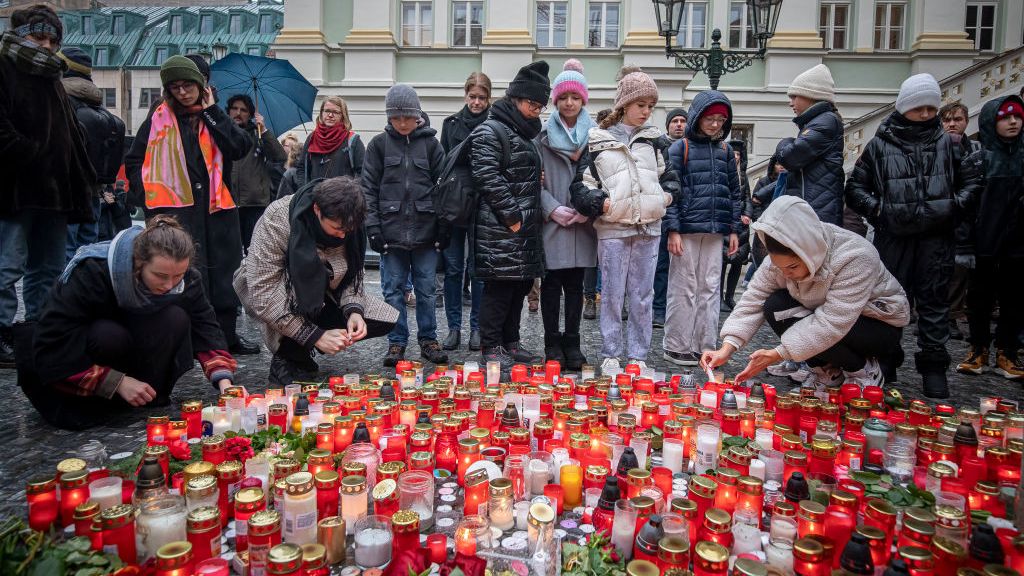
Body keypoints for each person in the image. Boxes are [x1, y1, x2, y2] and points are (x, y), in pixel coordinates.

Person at [22, 216, 239, 430]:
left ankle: (145, 394)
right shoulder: (91, 272)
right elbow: (53, 341)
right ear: (138, 263)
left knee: (175, 318)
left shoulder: (185, 279)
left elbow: (205, 326)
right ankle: (106, 399)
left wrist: (225, 383)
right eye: (160, 275)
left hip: (133, 350)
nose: (169, 285)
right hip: (84, 367)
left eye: (178, 276)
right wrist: (116, 382)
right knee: (109, 334)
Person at [845, 73, 982, 398]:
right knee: (890, 302)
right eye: (917, 107)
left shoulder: (950, 144)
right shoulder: (880, 145)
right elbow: (855, 188)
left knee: (935, 304)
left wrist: (951, 207)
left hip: (936, 237)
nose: (924, 113)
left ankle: (934, 368)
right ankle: (886, 362)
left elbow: (973, 185)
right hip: (895, 237)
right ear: (905, 106)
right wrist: (880, 210)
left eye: (929, 107)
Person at [702, 196, 910, 389]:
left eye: (792, 267)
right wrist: (727, 348)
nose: (786, 274)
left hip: (877, 326)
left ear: (808, 252)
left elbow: (832, 322)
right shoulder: (778, 262)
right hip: (827, 318)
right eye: (780, 268)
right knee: (775, 306)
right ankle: (826, 370)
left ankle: (864, 371)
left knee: (820, 329)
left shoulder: (856, 256)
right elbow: (753, 300)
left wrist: (779, 353)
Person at [125, 55, 259, 356]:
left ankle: (225, 337)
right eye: (175, 87)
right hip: (176, 212)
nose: (182, 92)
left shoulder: (213, 117)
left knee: (224, 277)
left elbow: (239, 147)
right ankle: (185, 340)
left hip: (217, 210)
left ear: (202, 86)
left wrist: (213, 111)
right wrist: (149, 193)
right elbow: (135, 160)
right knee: (183, 275)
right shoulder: (158, 120)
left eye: (188, 86)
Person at [0, 5, 96, 368]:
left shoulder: (53, 77)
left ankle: (38, 328)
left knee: (49, 268)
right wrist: (33, 153)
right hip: (16, 188)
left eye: (51, 40)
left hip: (55, 191)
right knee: (7, 267)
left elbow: (68, 133)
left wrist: (77, 172)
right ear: (20, 35)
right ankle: (2, 331)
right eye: (38, 37)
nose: (45, 46)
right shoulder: (5, 68)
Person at [234, 176, 398, 386]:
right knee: (300, 286)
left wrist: (354, 311)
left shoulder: (349, 223)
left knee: (383, 320)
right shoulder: (278, 219)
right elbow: (264, 293)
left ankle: (301, 346)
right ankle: (288, 355)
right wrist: (315, 336)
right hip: (275, 290)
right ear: (317, 210)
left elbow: (353, 274)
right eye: (336, 229)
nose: (341, 237)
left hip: (326, 289)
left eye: (347, 231)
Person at [571, 66, 677, 373]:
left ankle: (639, 356)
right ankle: (611, 353)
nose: (646, 112)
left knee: (643, 295)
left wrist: (664, 199)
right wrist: (601, 203)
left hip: (649, 228)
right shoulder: (599, 140)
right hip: (613, 228)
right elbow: (581, 185)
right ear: (624, 105)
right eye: (640, 105)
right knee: (613, 294)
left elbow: (671, 179)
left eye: (650, 106)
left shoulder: (657, 141)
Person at [472, 61, 550, 371]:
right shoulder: (491, 130)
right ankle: (490, 346)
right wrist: (513, 216)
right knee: (499, 288)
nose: (536, 110)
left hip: (522, 227)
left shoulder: (521, 131)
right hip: (501, 227)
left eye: (540, 105)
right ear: (515, 99)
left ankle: (510, 342)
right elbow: (486, 175)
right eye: (532, 103)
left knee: (518, 286)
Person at [362, 84, 448, 367]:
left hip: (425, 231)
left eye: (406, 117)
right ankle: (396, 341)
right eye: (396, 118)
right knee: (392, 290)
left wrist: (443, 225)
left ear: (417, 116)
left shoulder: (432, 146)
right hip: (391, 231)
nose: (401, 123)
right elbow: (368, 189)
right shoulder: (378, 145)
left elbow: (444, 189)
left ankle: (428, 339)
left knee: (426, 290)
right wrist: (372, 227)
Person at [661, 91, 742, 367]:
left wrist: (733, 230)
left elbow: (734, 192)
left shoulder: (726, 151)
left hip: (716, 230)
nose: (716, 124)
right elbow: (670, 191)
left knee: (710, 287)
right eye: (711, 118)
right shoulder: (679, 148)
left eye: (721, 119)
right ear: (698, 117)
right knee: (684, 287)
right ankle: (676, 344)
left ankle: (704, 344)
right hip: (686, 229)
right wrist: (672, 229)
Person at [956, 95, 1024, 380]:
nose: (1012, 122)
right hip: (984, 242)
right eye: (1005, 117)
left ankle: (1007, 351)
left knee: (1015, 298)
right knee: (980, 298)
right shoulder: (978, 160)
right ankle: (978, 348)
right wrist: (965, 244)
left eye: (1017, 117)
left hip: (1018, 244)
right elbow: (965, 206)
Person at [537, 59, 598, 369]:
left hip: (583, 224)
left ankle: (572, 343)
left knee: (575, 287)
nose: (570, 103)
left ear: (583, 99)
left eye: (575, 97)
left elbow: (605, 179)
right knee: (550, 287)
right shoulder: (543, 136)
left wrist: (589, 211)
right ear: (556, 101)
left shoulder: (597, 137)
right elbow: (531, 180)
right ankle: (552, 343)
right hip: (554, 224)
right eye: (563, 97)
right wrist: (550, 208)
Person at [59, 47, 126, 262]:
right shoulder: (95, 103)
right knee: (88, 253)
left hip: (66, 195)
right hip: (94, 194)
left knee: (62, 255)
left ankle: (64, 295)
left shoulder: (63, 100)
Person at [440, 72, 491, 351]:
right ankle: (453, 328)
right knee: (453, 269)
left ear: (488, 98)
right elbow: (443, 163)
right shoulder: (451, 124)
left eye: (482, 97)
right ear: (465, 95)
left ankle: (477, 328)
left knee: (478, 270)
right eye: (472, 96)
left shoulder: (496, 123)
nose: (476, 102)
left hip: (483, 203)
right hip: (455, 204)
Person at [775, 64, 845, 226]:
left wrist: (784, 142)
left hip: (816, 213)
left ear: (812, 95)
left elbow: (790, 156)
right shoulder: (818, 121)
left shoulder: (825, 121)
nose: (790, 103)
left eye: (795, 97)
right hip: (813, 209)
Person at [940, 102, 982, 341]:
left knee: (959, 271)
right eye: (947, 120)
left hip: (965, 217)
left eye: (957, 119)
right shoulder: (933, 148)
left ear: (966, 121)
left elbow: (975, 184)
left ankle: (953, 316)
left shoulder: (975, 149)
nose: (952, 124)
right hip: (938, 216)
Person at [227, 94, 287, 252]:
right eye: (234, 108)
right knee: (230, 252)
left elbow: (280, 156)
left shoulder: (258, 135)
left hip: (255, 204)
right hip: (228, 202)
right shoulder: (222, 133)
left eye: (243, 110)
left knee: (253, 250)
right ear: (228, 111)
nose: (238, 112)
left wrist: (264, 131)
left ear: (250, 114)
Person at [652, 107, 688, 328]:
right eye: (674, 120)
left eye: (683, 120)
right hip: (665, 214)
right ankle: (658, 309)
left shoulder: (691, 147)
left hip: (688, 216)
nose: (678, 124)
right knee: (661, 266)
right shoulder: (661, 147)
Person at [294, 96, 364, 188]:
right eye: (327, 111)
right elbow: (302, 169)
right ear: (321, 113)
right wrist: (306, 192)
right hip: (314, 199)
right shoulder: (312, 138)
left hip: (342, 199)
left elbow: (362, 172)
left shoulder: (353, 140)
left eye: (335, 112)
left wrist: (349, 193)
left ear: (343, 115)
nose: (330, 115)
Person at [721, 139, 752, 312]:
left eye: (738, 154)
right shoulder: (721, 172)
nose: (736, 157)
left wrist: (747, 213)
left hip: (740, 226)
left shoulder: (743, 176)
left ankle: (729, 297)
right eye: (733, 154)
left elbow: (747, 197)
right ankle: (718, 298)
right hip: (725, 222)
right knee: (722, 262)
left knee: (738, 261)